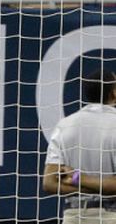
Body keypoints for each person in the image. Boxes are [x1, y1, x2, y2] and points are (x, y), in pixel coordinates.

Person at [43, 69, 116, 223]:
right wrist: (86, 183)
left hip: (73, 217)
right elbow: (48, 183)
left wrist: (77, 179)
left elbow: (49, 183)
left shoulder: (64, 125)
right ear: (114, 93)